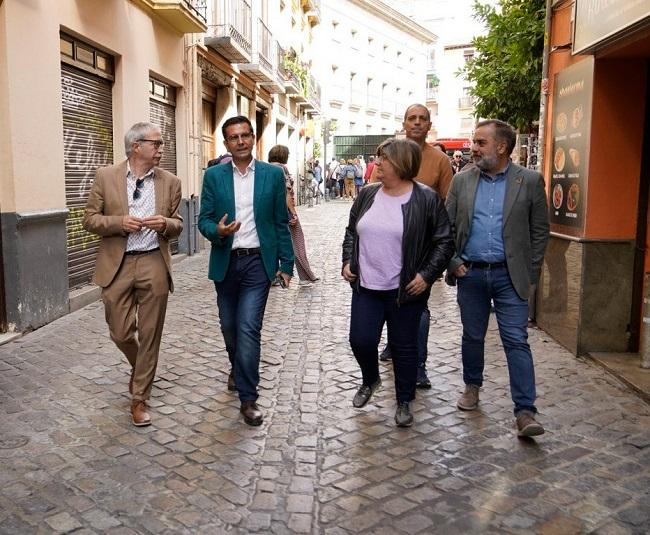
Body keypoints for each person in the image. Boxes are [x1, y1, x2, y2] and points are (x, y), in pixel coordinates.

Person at [445, 119, 550, 437]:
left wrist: (529, 272)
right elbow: (446, 227)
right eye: (473, 142)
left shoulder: (529, 181)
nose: (472, 148)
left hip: (510, 276)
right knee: (472, 336)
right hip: (471, 274)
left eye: (479, 142)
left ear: (502, 147)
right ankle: (472, 387)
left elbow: (540, 230)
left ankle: (525, 411)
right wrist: (453, 262)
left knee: (516, 340)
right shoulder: (462, 182)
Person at [342, 138, 454, 427]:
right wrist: (347, 261)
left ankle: (404, 401)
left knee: (404, 348)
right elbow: (352, 232)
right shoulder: (367, 195)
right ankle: (371, 379)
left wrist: (426, 275)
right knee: (360, 340)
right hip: (366, 286)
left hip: (404, 290)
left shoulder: (426, 199)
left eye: (383, 159)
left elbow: (444, 242)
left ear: (401, 164)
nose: (377, 163)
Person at [83, 122, 183, 427]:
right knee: (121, 332)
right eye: (156, 144)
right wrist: (119, 223)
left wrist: (164, 223)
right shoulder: (106, 176)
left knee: (150, 334)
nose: (161, 149)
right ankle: (141, 368)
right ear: (136, 146)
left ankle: (139, 398)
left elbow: (178, 224)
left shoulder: (171, 182)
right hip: (118, 263)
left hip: (154, 260)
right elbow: (89, 220)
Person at [198, 115, 294, 426]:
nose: (240, 141)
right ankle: (236, 366)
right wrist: (219, 231)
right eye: (233, 137)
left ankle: (248, 397)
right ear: (225, 143)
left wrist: (287, 263)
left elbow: (281, 222)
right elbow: (204, 220)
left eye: (245, 135)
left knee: (249, 328)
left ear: (253, 139)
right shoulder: (214, 176)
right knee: (229, 327)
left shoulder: (271, 175)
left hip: (257, 263)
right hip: (227, 261)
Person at [373, 104, 454, 389]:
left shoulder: (440, 161)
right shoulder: (388, 154)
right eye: (412, 118)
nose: (417, 123)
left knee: (418, 306)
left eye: (423, 119)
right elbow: (373, 196)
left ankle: (418, 364)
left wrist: (441, 254)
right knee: (385, 299)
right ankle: (393, 345)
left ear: (429, 125)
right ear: (404, 123)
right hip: (386, 247)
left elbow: (449, 203)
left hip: (422, 249)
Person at [268, 144, 318, 283]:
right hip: (284, 211)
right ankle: (306, 276)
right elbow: (286, 193)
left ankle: (272, 275)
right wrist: (293, 213)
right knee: (297, 242)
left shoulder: (265, 169)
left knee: (272, 243)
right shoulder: (281, 169)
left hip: (269, 212)